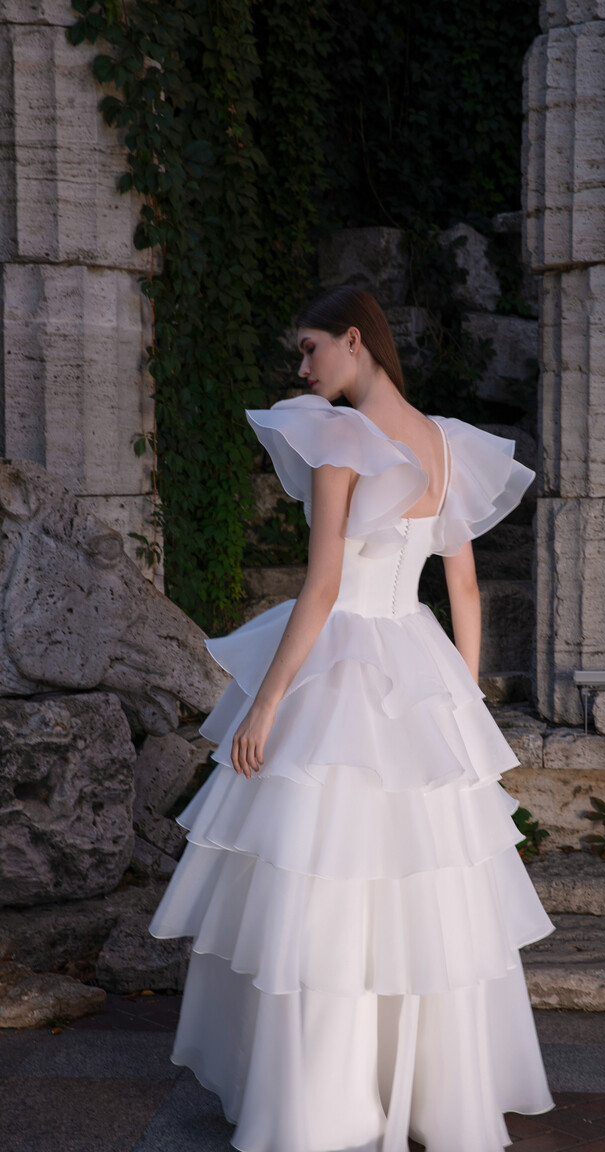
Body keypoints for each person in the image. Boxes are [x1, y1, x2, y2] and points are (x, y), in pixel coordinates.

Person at [148, 285, 555, 1152]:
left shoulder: (339, 437)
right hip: (418, 664)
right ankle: (433, 1100)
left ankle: (322, 1104)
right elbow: (466, 589)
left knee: (320, 882)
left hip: (341, 666)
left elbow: (325, 588)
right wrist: (461, 702)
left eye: (310, 349)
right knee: (420, 890)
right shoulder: (447, 446)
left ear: (355, 340)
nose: (302, 368)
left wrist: (266, 702)